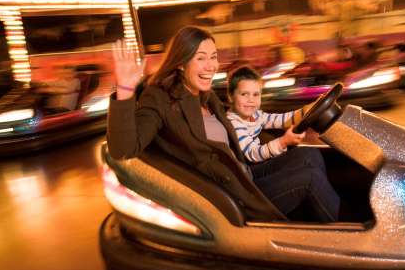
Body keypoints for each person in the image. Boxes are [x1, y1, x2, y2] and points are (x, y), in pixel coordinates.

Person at [107, 26, 339, 222]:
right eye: (201, 58)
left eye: (214, 56)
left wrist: (304, 113)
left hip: (244, 174)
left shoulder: (206, 96)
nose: (211, 66)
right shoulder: (160, 98)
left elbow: (259, 124)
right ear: (180, 63)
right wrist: (125, 90)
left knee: (310, 156)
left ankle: (322, 213)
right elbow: (124, 148)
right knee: (310, 178)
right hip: (232, 195)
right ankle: (350, 241)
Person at [226, 65, 340, 221]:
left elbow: (280, 119)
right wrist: (283, 142)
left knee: (309, 152)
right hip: (249, 183)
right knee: (311, 177)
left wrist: (307, 110)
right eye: (244, 94)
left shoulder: (256, 115)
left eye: (255, 94)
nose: (250, 100)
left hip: (255, 170)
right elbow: (253, 153)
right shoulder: (233, 122)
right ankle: (338, 222)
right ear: (231, 97)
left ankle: (320, 204)